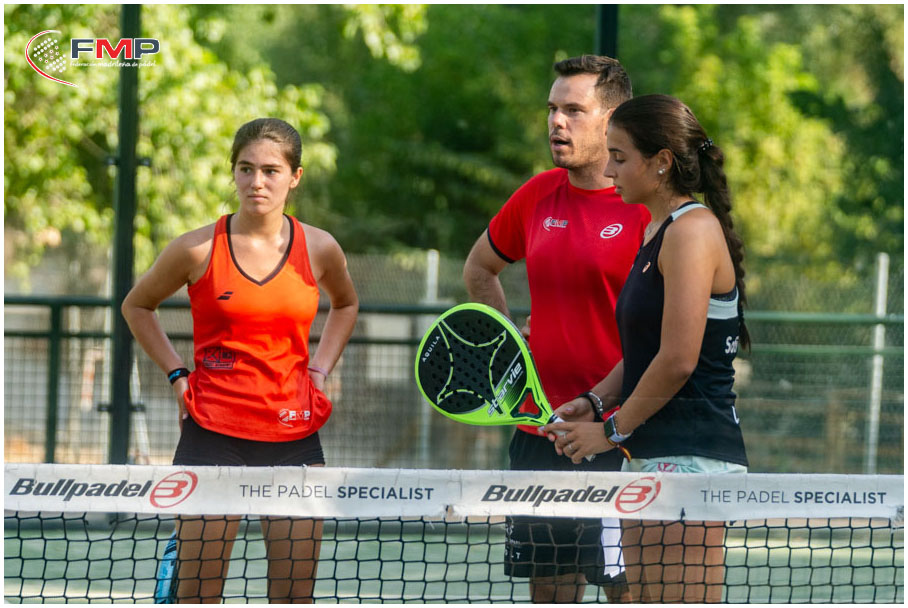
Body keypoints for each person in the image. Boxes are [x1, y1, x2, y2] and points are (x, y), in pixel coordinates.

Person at [122, 117, 359, 603]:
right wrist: (176, 375)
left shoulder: (320, 248)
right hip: (211, 438)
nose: (257, 182)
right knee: (198, 596)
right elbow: (136, 306)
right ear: (233, 172)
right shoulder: (196, 248)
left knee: (294, 597)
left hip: (294, 439)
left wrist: (319, 368)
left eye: (271, 171)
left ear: (295, 177)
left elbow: (346, 304)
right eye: (246, 168)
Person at [544, 94, 750, 603]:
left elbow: (678, 359)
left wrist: (609, 432)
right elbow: (647, 350)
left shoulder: (692, 231)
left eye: (619, 157)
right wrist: (594, 401)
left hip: (690, 453)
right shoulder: (658, 231)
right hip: (651, 451)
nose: (608, 170)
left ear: (661, 162)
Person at [462, 55, 648, 603]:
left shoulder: (645, 208)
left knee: (627, 588)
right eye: (551, 109)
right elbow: (479, 269)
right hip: (539, 429)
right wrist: (508, 342)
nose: (556, 122)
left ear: (612, 120)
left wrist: (608, 411)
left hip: (621, 434)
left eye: (573, 110)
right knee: (549, 590)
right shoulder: (537, 193)